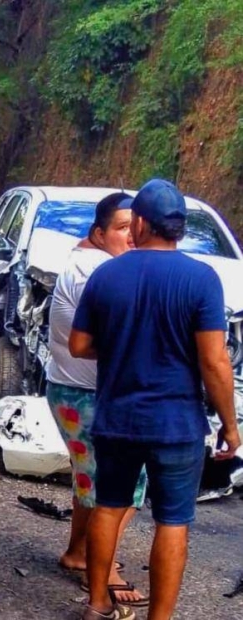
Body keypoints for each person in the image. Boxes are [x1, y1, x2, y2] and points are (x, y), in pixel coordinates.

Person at [70, 179, 241, 620]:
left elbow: (79, 344)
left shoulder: (107, 274)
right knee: (173, 521)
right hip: (176, 425)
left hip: (117, 417)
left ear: (141, 223)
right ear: (179, 228)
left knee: (109, 506)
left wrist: (124, 345)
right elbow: (214, 361)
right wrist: (230, 425)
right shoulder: (202, 279)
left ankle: (97, 604)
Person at [45, 193, 148, 609]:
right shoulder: (96, 272)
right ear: (99, 233)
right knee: (126, 485)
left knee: (89, 481)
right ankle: (101, 570)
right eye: (122, 228)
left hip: (74, 390)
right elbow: (124, 337)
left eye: (135, 227)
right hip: (84, 394)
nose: (133, 236)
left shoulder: (91, 263)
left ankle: (78, 552)